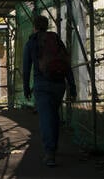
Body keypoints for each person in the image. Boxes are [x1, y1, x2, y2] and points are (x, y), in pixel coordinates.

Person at [22, 14, 76, 167]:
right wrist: (72, 86)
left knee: (46, 118)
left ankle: (50, 153)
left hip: (42, 84)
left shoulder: (31, 42)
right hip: (59, 85)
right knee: (54, 115)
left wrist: (26, 88)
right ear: (46, 26)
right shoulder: (56, 40)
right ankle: (53, 147)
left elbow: (26, 68)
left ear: (34, 26)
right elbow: (66, 64)